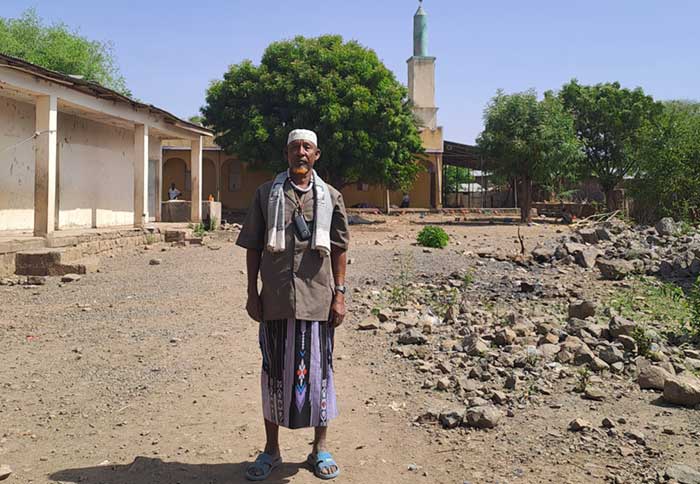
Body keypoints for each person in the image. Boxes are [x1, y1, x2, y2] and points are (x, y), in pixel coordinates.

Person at [236, 129, 349, 481]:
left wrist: (340, 293)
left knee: (320, 373)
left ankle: (319, 448)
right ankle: (271, 450)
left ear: (317, 154)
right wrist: (252, 292)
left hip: (318, 300)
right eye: (294, 147)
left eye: (307, 147)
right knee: (273, 374)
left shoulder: (331, 196)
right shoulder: (266, 195)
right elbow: (253, 243)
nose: (300, 153)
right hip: (276, 300)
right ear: (286, 154)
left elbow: (340, 246)